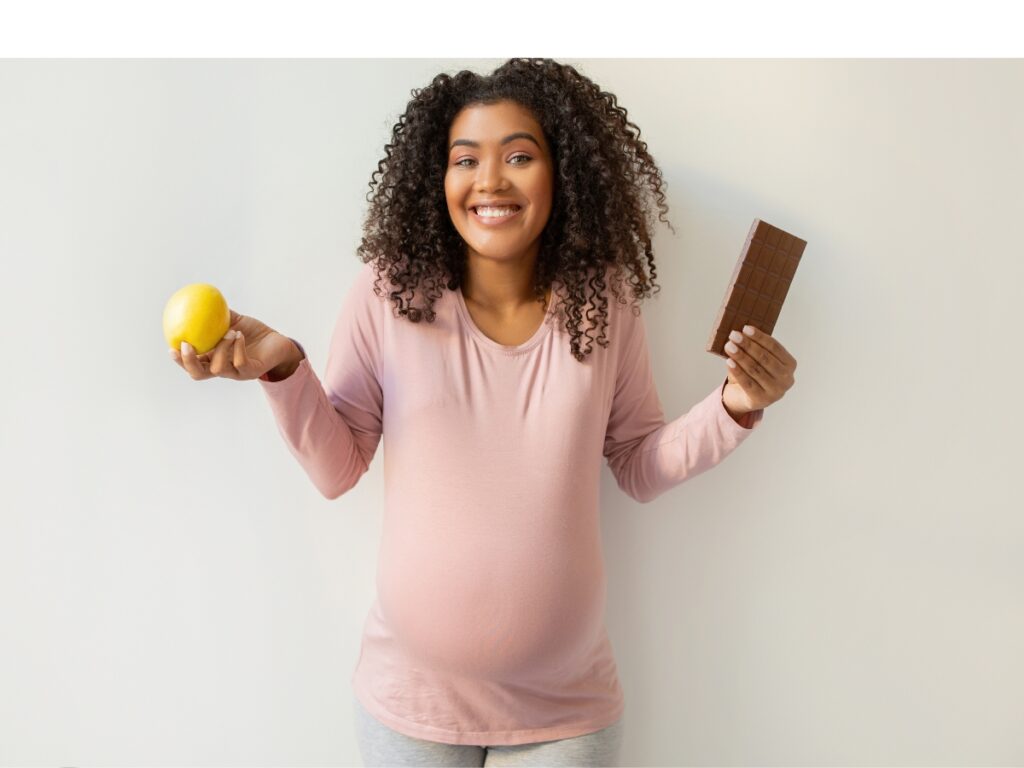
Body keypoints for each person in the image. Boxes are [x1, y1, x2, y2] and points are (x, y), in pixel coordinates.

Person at [169, 58, 798, 767]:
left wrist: (734, 407)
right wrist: (283, 366)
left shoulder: (605, 303)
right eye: (465, 159)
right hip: (411, 704)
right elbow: (338, 468)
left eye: (520, 156)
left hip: (566, 713)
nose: (490, 180)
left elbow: (639, 465)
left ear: (562, 175)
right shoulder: (388, 294)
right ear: (437, 180)